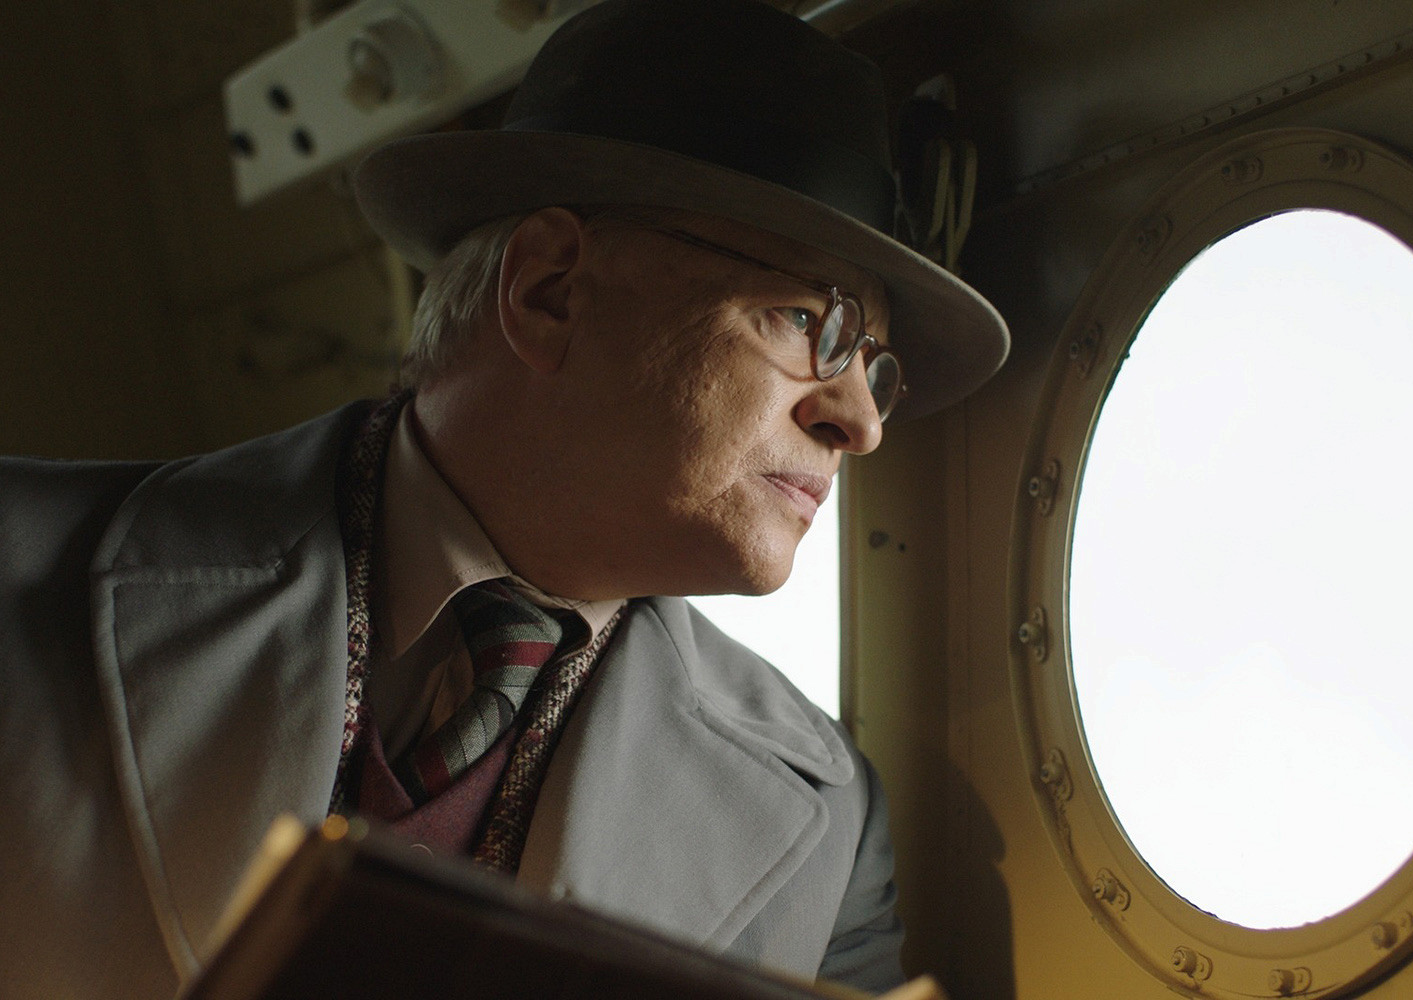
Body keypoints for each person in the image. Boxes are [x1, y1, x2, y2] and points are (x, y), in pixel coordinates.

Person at [0, 0, 1009, 997]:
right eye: (804, 320)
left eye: (874, 368)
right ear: (548, 290)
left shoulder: (830, 824)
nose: (860, 422)